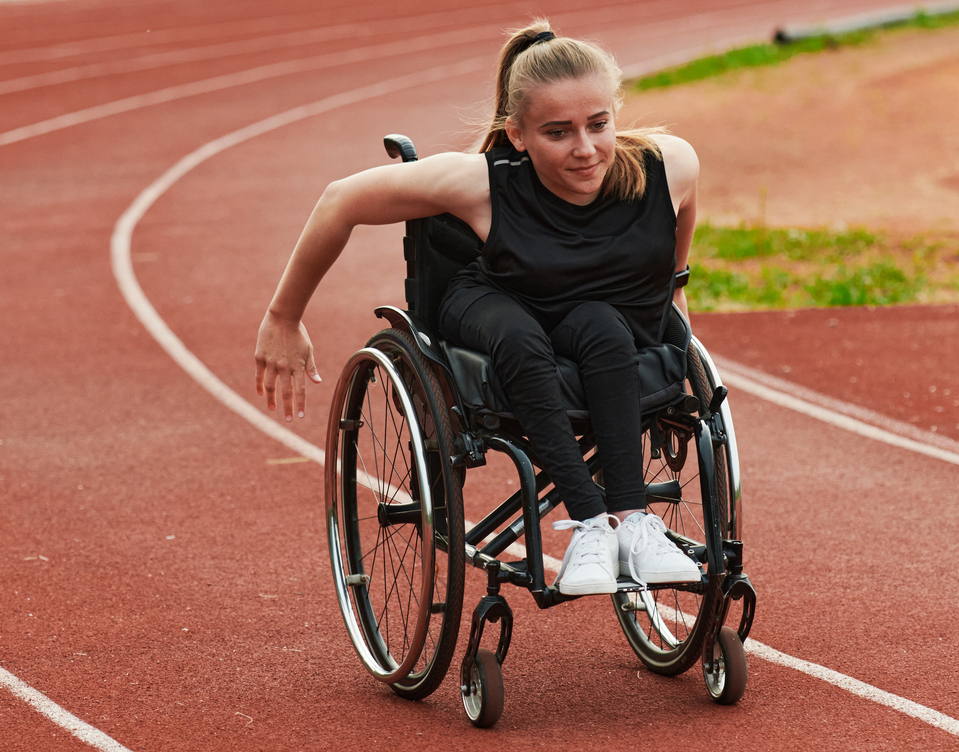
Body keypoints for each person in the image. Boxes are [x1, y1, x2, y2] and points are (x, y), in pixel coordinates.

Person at [254, 20, 702, 597]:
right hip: (497, 304)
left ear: (616, 111)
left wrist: (676, 297)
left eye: (598, 124)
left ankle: (634, 522)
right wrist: (284, 317)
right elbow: (340, 200)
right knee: (521, 339)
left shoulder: (671, 167)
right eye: (558, 132)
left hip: (585, 319)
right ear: (517, 135)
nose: (585, 149)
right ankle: (593, 524)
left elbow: (676, 241)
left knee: (607, 331)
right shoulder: (483, 184)